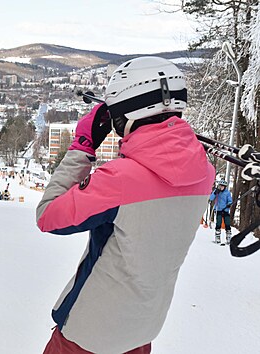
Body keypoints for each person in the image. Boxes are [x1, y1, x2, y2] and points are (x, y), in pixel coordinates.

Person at [36, 57, 215, 353]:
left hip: (88, 333)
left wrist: (82, 145)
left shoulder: (119, 179)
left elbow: (48, 217)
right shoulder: (204, 171)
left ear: (123, 115)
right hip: (143, 328)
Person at [209, 180, 233, 244]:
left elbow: (230, 200)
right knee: (218, 223)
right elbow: (211, 198)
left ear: (225, 187)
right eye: (220, 186)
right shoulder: (216, 192)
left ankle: (228, 238)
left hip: (225, 210)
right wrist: (214, 193)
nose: (221, 187)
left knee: (227, 223)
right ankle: (217, 238)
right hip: (218, 210)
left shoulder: (227, 193)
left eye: (223, 186)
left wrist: (229, 204)